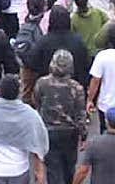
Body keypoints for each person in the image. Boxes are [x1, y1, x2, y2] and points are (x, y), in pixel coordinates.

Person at [34, 49, 89, 184]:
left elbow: (37, 102)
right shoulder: (76, 87)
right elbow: (80, 114)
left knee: (53, 169)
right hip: (70, 133)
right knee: (69, 168)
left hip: (49, 131)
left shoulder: (42, 83)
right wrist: (83, 135)